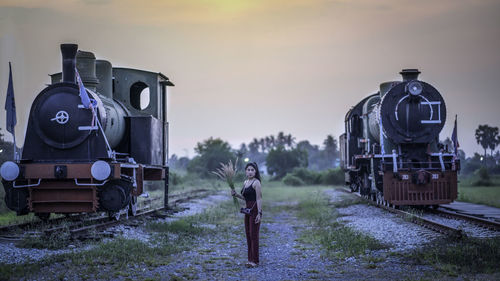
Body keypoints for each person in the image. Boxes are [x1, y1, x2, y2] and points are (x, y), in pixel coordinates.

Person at [231, 162, 263, 268]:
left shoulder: (256, 182)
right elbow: (246, 198)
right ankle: (250, 259)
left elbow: (259, 198)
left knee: (254, 235)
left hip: (254, 210)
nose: (250, 172)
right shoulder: (245, 182)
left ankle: (255, 261)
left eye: (252, 170)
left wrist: (259, 213)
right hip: (247, 211)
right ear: (245, 171)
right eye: (248, 170)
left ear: (255, 171)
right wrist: (236, 195)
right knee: (248, 234)